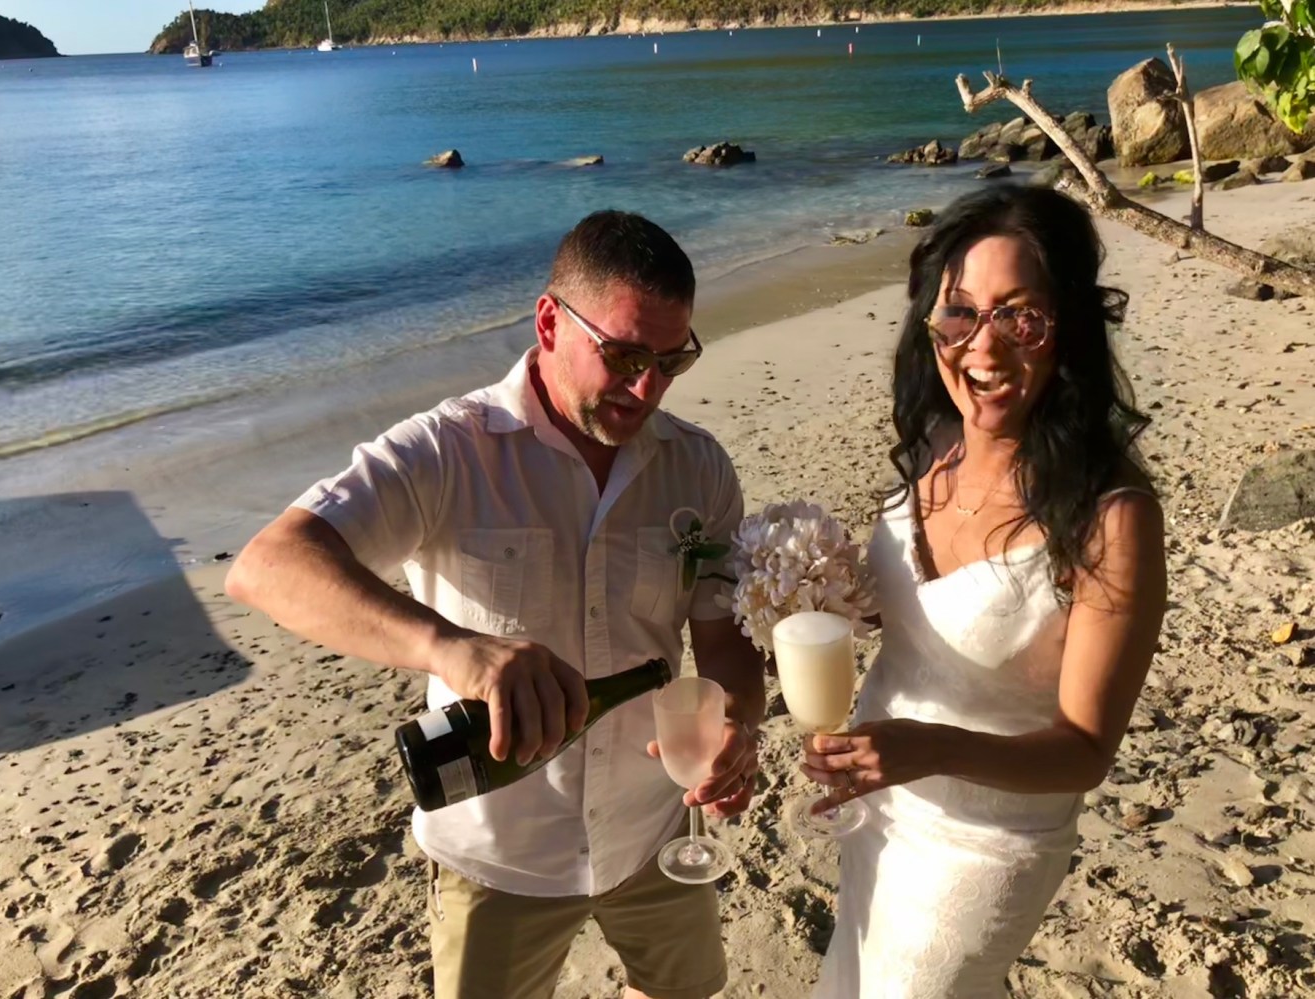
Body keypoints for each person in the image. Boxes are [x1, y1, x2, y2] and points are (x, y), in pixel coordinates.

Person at [225, 210, 765, 999]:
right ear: (550, 321)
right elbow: (268, 566)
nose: (647, 386)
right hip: (496, 852)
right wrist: (451, 648)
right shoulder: (448, 451)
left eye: (671, 359)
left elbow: (721, 642)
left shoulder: (698, 466)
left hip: (654, 829)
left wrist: (740, 724)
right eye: (622, 354)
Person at [800, 185, 1167, 997]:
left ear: (1065, 325)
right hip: (877, 809)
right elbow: (912, 625)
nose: (983, 346)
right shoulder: (933, 444)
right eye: (959, 312)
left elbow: (1087, 750)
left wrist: (926, 747)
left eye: (1019, 315)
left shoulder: (1112, 517)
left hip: (984, 842)